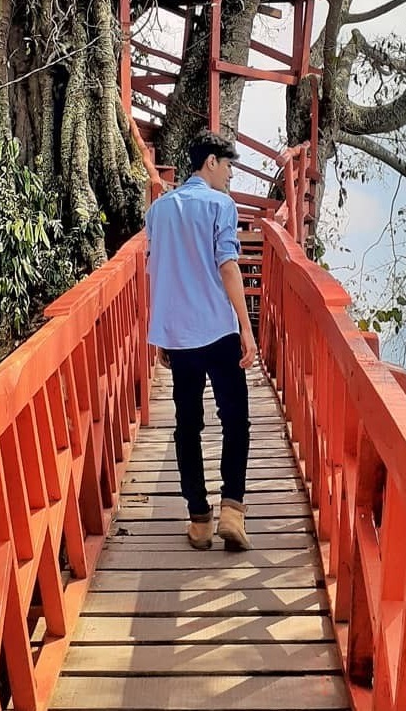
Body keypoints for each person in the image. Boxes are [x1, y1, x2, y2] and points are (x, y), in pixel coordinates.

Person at [146, 130, 256, 551]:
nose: (230, 176)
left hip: (179, 336)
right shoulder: (220, 204)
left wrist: (162, 334)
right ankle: (233, 509)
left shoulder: (158, 211)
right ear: (211, 161)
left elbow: (156, 271)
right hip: (218, 329)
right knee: (236, 420)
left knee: (187, 425)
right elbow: (228, 265)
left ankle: (199, 519)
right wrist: (247, 329)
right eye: (229, 167)